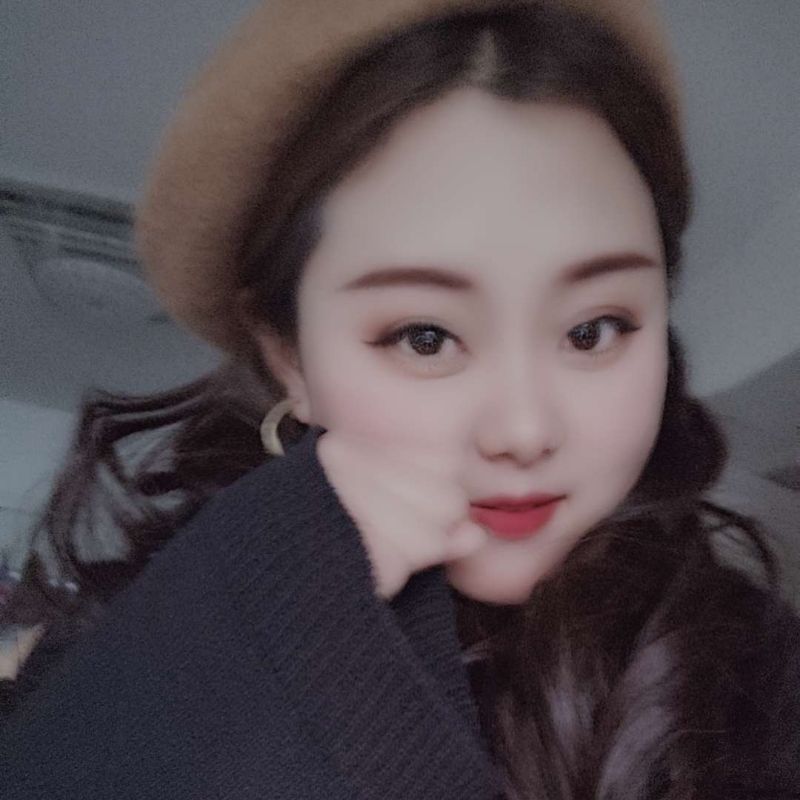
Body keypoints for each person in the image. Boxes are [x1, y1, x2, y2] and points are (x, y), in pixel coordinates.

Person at [1, 0, 798, 797]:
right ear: (290, 358)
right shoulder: (101, 662)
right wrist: (247, 619)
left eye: (592, 331)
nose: (524, 429)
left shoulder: (760, 684)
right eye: (425, 337)